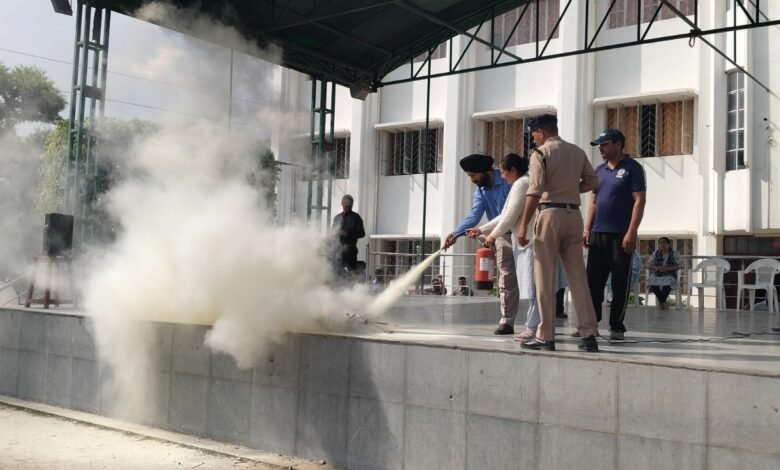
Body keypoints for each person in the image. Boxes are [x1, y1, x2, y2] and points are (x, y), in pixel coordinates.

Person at [515, 114, 600, 352]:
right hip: (574, 215)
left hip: (549, 214)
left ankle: (546, 335)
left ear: (541, 132)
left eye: (533, 134)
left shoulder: (540, 153)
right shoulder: (577, 151)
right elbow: (592, 181)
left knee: (544, 277)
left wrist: (523, 225)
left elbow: (534, 191)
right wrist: (570, 189)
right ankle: (589, 334)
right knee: (578, 278)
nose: (533, 139)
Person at [466, 153, 539, 340]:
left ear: (513, 170)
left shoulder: (521, 183)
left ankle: (533, 328)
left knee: (533, 286)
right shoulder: (520, 182)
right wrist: (482, 230)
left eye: (504, 172)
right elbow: (505, 214)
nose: (503, 177)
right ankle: (532, 326)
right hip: (522, 240)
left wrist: (491, 235)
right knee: (528, 284)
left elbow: (510, 216)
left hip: (528, 241)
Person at [443, 153, 518, 335]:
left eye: (473, 175)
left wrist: (485, 231)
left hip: (523, 233)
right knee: (506, 278)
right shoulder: (481, 191)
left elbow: (511, 212)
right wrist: (455, 233)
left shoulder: (508, 180)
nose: (472, 180)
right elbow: (474, 215)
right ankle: (507, 321)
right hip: (501, 236)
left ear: (485, 171)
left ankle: (546, 317)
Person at [584, 128, 646, 341]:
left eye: (605, 144)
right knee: (593, 283)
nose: (601, 149)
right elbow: (593, 202)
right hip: (598, 234)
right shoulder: (599, 170)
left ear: (618, 144)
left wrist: (631, 231)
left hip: (621, 235)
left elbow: (639, 201)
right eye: (599, 145)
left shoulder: (633, 168)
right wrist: (587, 228)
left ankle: (616, 326)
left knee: (620, 283)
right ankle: (591, 324)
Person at [331, 194, 365, 275]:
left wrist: (349, 233)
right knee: (336, 271)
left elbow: (362, 233)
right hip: (338, 249)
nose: (348, 205)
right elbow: (332, 232)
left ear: (352, 204)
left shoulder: (356, 217)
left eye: (350, 203)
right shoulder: (337, 217)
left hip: (350, 249)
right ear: (342, 203)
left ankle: (351, 282)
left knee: (351, 272)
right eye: (346, 203)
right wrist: (337, 233)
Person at [646, 237, 683, 310]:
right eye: (660, 243)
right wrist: (657, 267)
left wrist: (668, 268)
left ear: (669, 244)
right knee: (651, 281)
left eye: (664, 243)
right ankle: (663, 302)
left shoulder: (674, 253)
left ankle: (661, 302)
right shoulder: (656, 253)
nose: (662, 245)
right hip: (657, 274)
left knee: (668, 282)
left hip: (670, 274)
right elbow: (648, 265)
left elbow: (681, 265)